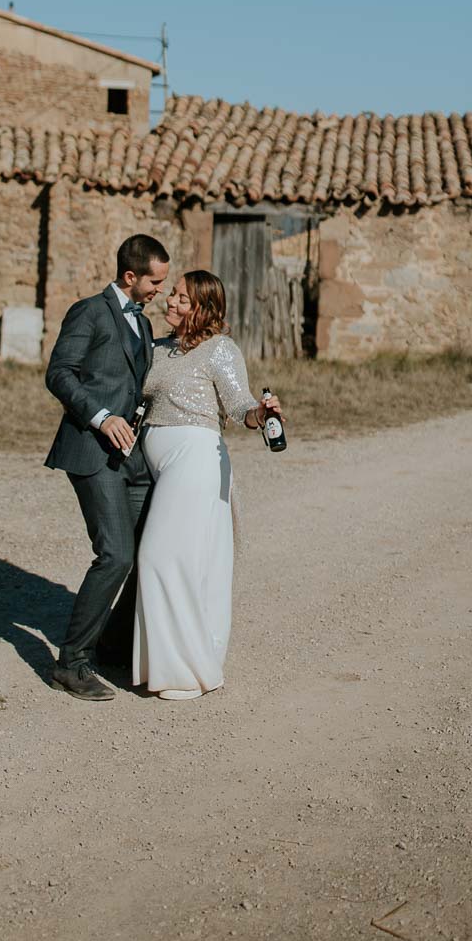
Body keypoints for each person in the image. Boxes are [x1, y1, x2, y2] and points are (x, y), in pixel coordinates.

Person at [133, 270, 285, 699]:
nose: (172, 302)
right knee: (187, 563)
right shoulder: (159, 349)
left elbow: (239, 405)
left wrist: (261, 413)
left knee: (160, 557)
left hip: (195, 459)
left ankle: (186, 671)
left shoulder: (220, 349)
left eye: (182, 298)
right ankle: (164, 662)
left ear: (203, 307)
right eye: (173, 295)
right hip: (155, 464)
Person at [44, 233, 170, 701]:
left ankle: (114, 644)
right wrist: (102, 417)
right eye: (155, 281)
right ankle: (71, 663)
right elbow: (59, 373)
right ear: (131, 276)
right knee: (115, 554)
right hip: (90, 450)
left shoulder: (144, 323)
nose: (160, 288)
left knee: (150, 550)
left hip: (132, 455)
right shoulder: (89, 311)